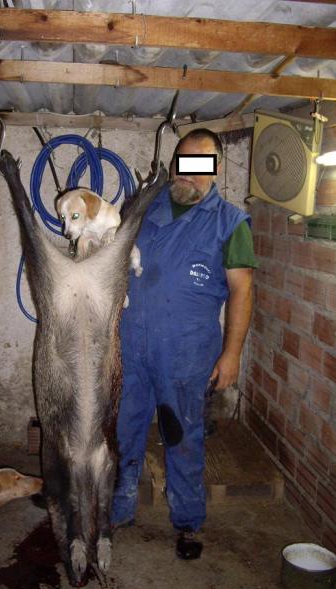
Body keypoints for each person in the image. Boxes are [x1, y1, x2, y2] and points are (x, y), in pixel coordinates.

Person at [112, 128, 257, 560]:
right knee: (124, 427)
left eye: (200, 166)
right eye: (182, 163)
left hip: (187, 353)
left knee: (184, 436)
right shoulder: (143, 208)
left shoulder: (230, 223)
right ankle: (118, 507)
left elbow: (242, 291)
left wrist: (232, 354)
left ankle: (188, 520)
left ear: (215, 169)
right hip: (131, 345)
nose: (188, 174)